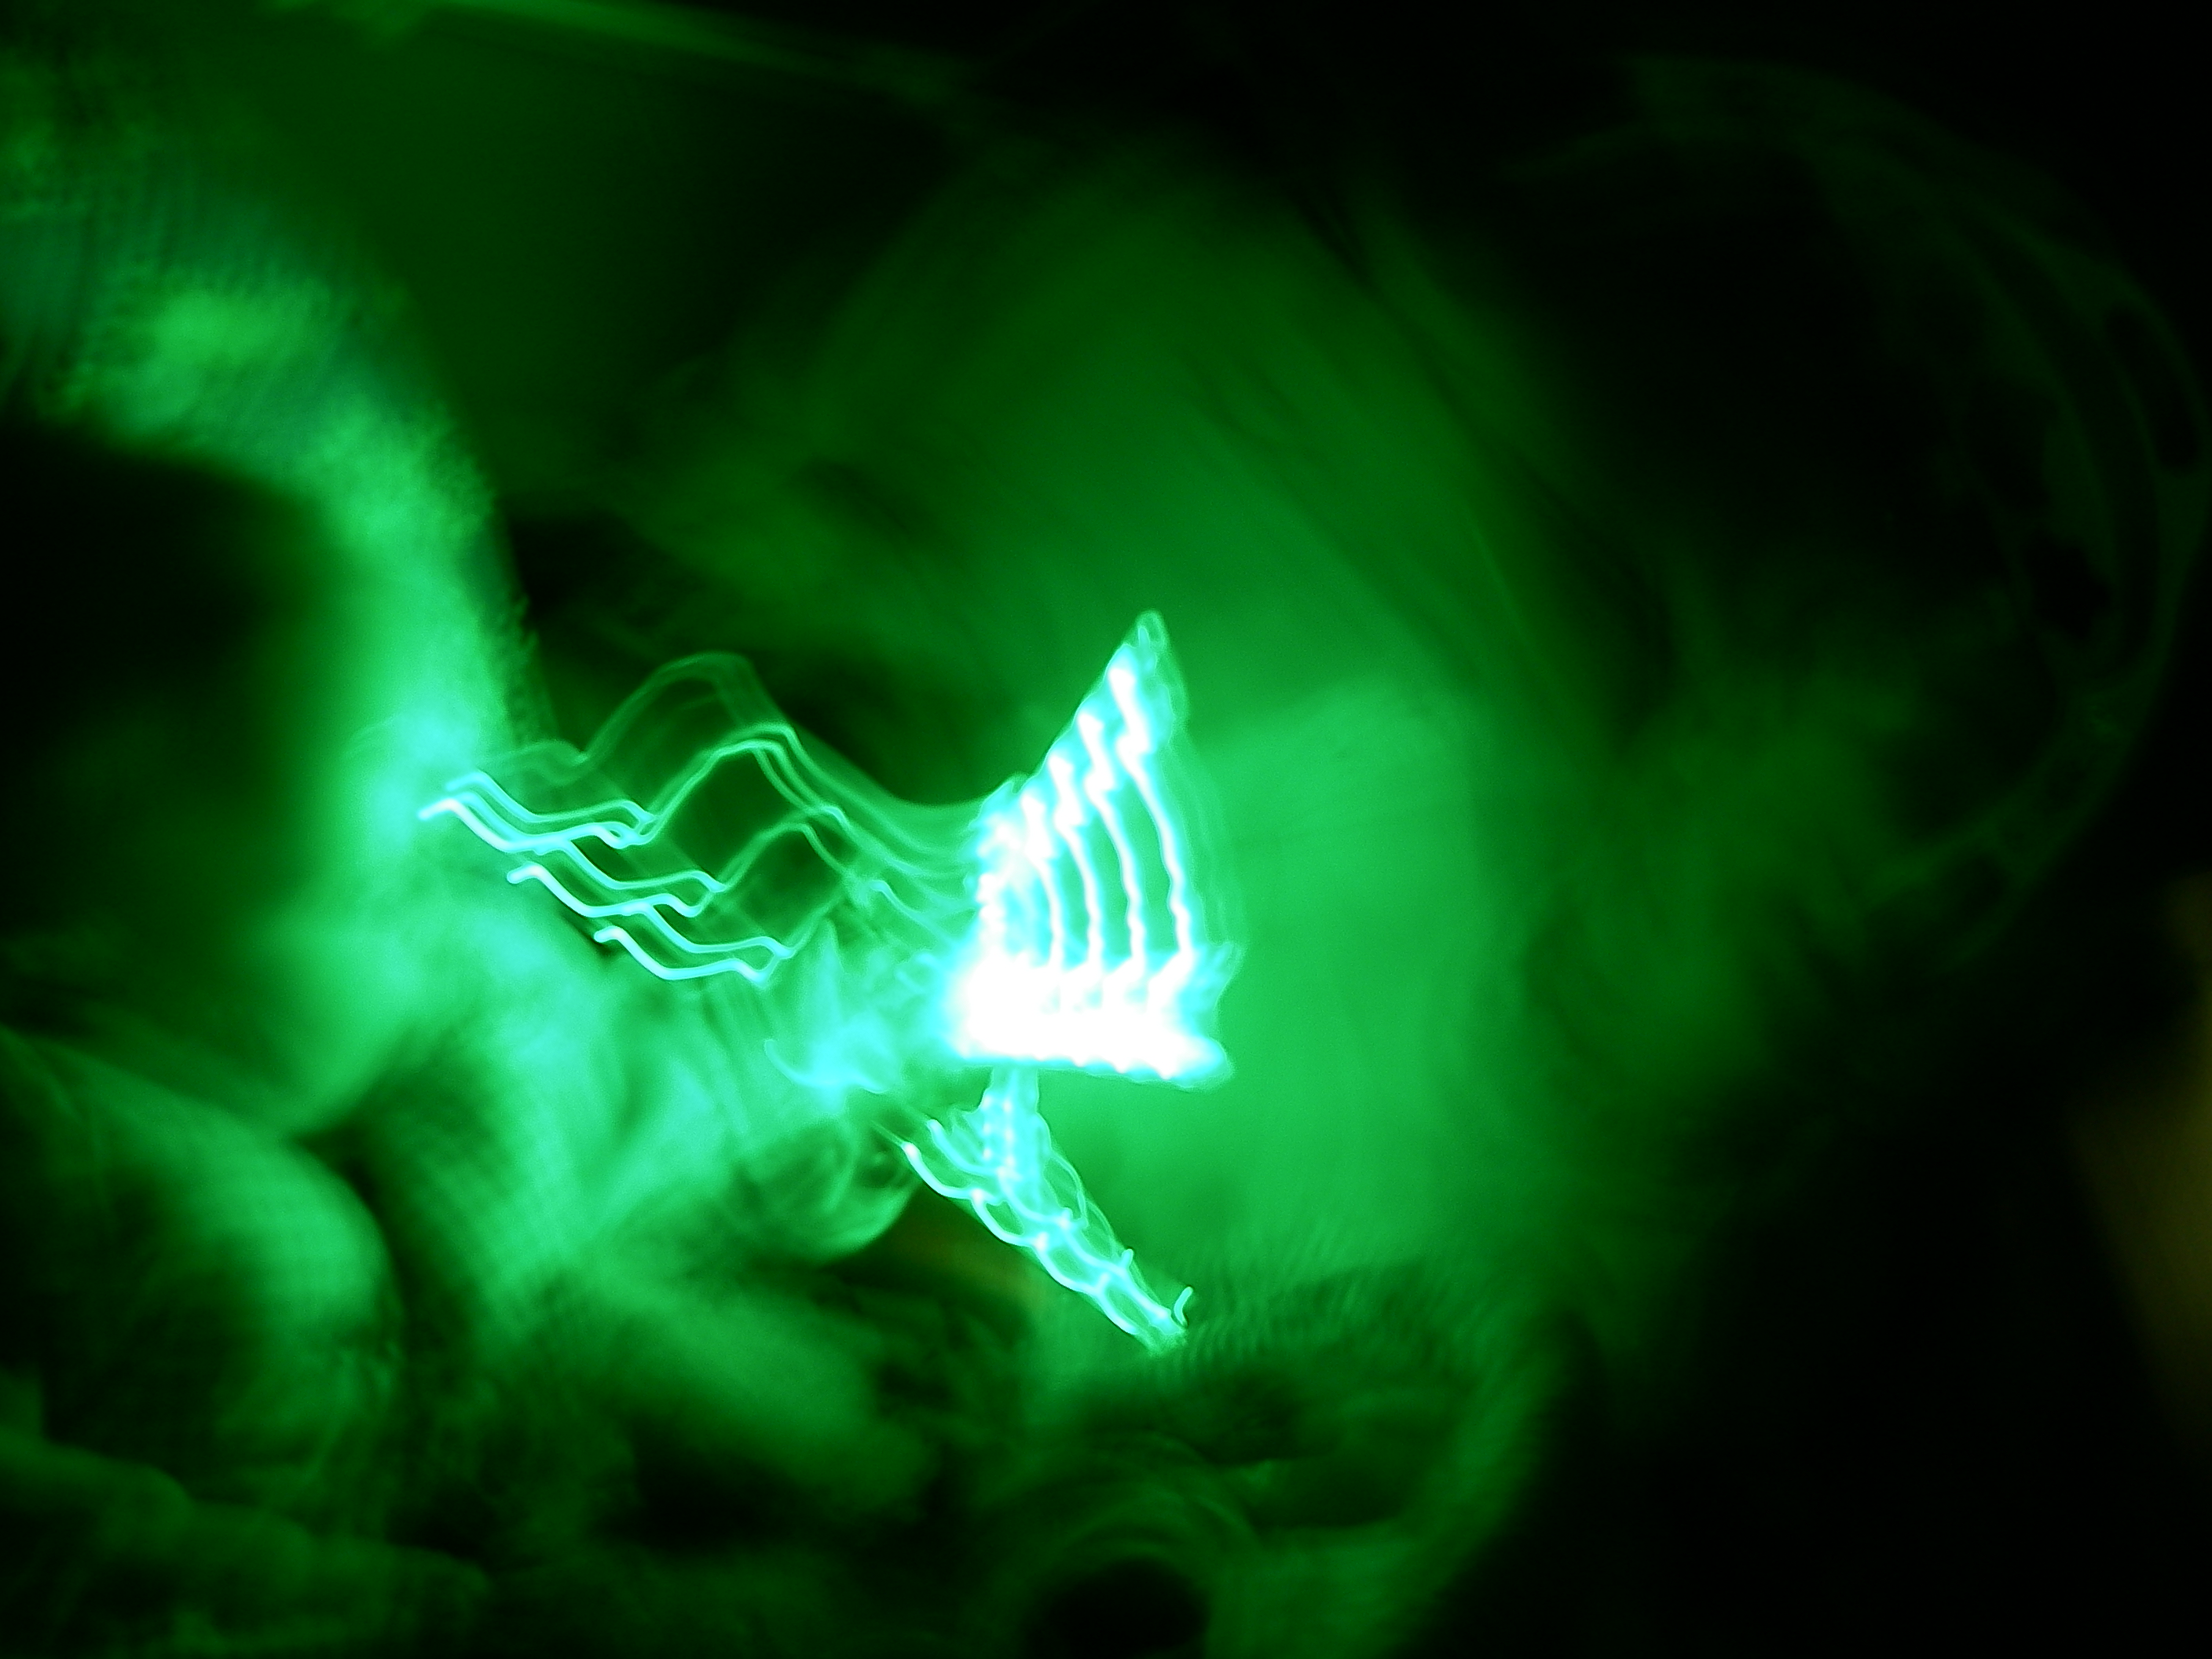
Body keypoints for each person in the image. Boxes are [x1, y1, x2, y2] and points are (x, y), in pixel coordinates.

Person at [3, 5, 2206, 1654]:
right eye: (382, 878)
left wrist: (846, 1122)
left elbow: (605, 1119)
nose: (484, 847)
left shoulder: (439, 951)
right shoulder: (140, 1177)